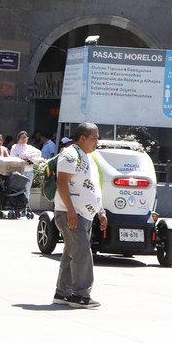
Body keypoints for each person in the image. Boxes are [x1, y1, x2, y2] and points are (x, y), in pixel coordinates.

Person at [53, 122, 108, 309]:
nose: (97, 141)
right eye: (94, 137)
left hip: (84, 214)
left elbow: (94, 186)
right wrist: (70, 210)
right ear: (82, 138)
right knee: (82, 253)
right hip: (72, 213)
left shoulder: (89, 157)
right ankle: (81, 295)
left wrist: (100, 211)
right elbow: (62, 183)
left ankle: (63, 292)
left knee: (72, 252)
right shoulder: (70, 155)